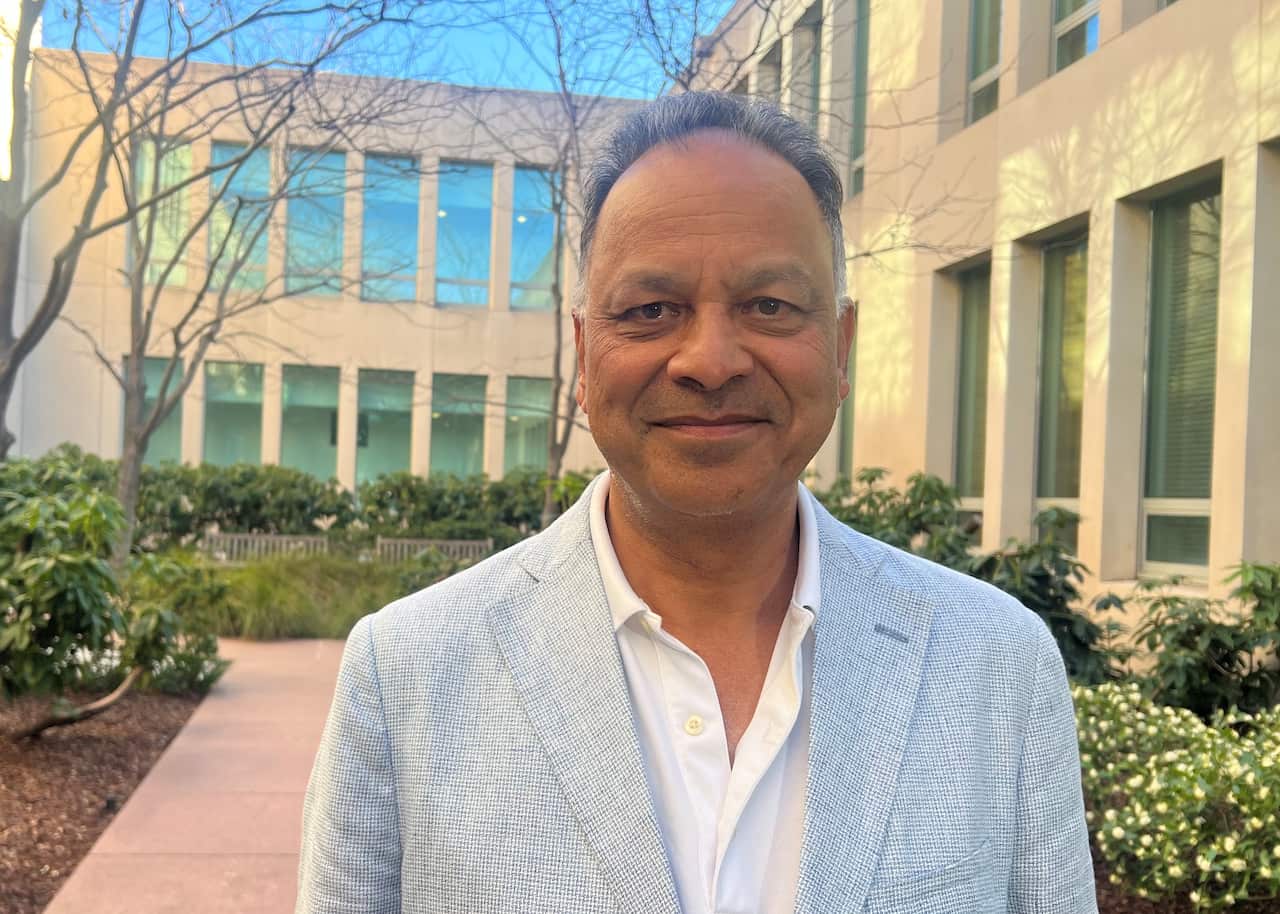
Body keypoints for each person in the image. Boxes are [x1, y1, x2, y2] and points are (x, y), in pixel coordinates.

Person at [296, 92, 1097, 914]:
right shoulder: (406, 675)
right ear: (583, 353)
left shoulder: (995, 664)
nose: (710, 362)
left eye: (769, 306)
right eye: (651, 311)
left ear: (841, 346)